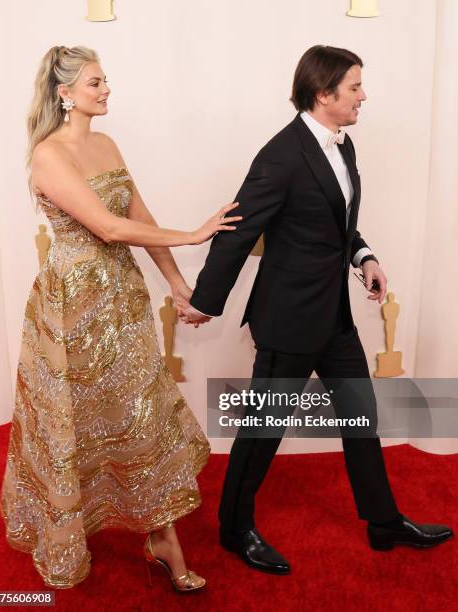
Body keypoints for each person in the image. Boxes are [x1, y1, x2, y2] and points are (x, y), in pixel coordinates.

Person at [179, 45, 453, 574]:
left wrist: (364, 254)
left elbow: (335, 218)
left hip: (333, 316)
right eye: (354, 87)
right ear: (323, 94)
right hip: (287, 319)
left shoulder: (341, 146)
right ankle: (234, 529)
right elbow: (237, 234)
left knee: (361, 416)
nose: (363, 96)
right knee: (263, 429)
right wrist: (204, 303)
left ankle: (382, 521)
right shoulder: (281, 156)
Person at [0, 45, 241, 591]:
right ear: (64, 94)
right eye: (94, 82)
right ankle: (68, 529)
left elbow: (139, 217)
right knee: (74, 424)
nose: (106, 90)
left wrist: (180, 286)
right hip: (70, 311)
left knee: (138, 416)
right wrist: (193, 232)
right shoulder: (47, 155)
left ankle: (162, 537)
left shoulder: (107, 143)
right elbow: (108, 229)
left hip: (122, 304)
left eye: (105, 80)